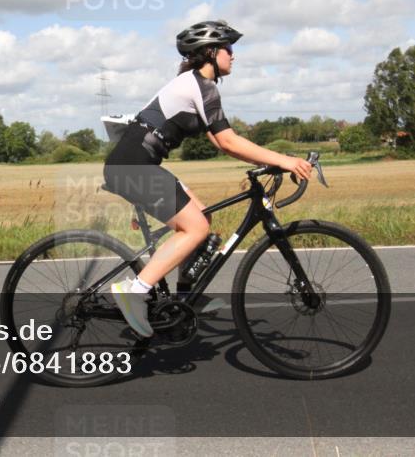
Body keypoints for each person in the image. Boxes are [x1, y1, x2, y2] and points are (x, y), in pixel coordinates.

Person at [102, 20, 313, 337]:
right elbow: (229, 142)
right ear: (211, 52)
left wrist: (272, 161)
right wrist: (285, 160)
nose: (233, 55)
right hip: (133, 167)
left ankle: (186, 298)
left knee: (202, 218)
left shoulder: (195, 84)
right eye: (229, 48)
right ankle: (135, 290)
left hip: (136, 165)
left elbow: (219, 141)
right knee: (196, 227)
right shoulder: (199, 85)